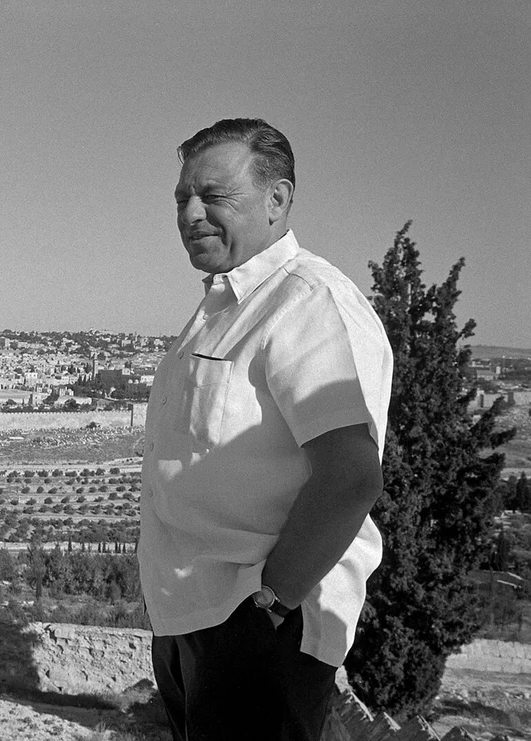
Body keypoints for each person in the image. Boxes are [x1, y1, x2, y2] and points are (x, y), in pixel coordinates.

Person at [138, 118, 393, 741]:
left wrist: (267, 607)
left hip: (256, 629)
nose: (190, 213)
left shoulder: (307, 301)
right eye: (181, 199)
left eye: (213, 196)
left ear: (277, 200)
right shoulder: (221, 308)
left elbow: (350, 477)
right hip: (193, 621)